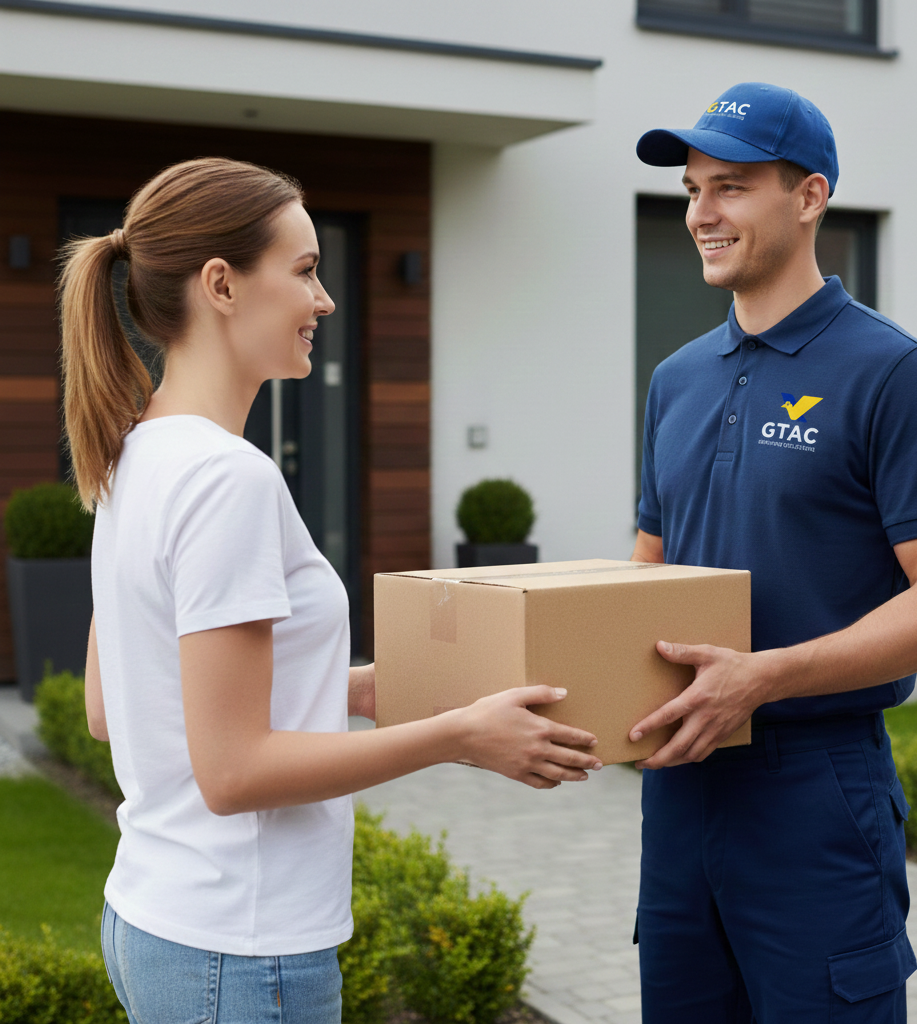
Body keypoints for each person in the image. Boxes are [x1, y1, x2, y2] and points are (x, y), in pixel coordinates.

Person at [60, 157, 602, 1024]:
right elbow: (234, 773)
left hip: (156, 922)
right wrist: (457, 737)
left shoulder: (135, 452)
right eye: (306, 271)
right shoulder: (223, 479)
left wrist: (350, 689)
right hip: (239, 951)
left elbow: (112, 703)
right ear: (221, 285)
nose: (326, 301)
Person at [627, 83, 917, 1023]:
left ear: (811, 196)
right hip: (678, 795)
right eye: (695, 188)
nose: (703, 212)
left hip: (817, 791)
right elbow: (647, 579)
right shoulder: (675, 380)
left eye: (733, 186)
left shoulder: (894, 373)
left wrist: (765, 677)